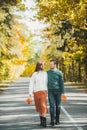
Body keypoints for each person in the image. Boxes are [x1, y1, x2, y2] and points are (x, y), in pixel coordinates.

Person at [29, 61, 48, 127]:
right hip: (36, 92)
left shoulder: (45, 74)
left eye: (43, 65)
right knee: (39, 107)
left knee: (43, 106)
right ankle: (41, 121)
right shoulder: (34, 74)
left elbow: (48, 83)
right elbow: (31, 84)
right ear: (39, 66)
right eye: (42, 65)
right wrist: (30, 93)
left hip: (43, 92)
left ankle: (44, 121)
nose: (43, 66)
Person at [47, 59, 64, 126]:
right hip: (50, 91)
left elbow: (61, 83)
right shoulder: (47, 73)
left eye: (52, 64)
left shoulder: (59, 73)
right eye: (50, 64)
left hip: (58, 91)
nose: (50, 65)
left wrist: (62, 92)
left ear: (55, 65)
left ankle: (57, 120)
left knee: (58, 106)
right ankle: (52, 121)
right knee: (51, 106)